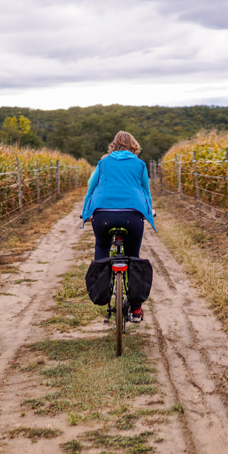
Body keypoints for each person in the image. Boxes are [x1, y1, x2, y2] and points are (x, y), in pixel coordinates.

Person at [82, 131, 156, 322]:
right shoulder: (140, 165)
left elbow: (91, 189)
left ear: (113, 145)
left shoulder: (103, 163)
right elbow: (145, 191)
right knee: (133, 256)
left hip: (103, 215)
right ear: (134, 146)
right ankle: (137, 310)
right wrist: (150, 211)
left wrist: (87, 211)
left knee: (102, 246)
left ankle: (103, 290)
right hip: (132, 215)